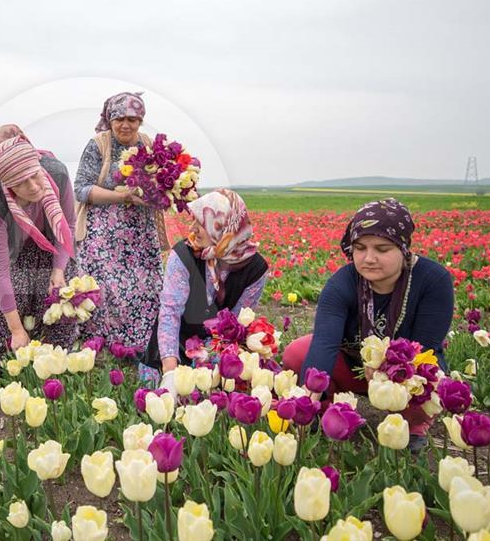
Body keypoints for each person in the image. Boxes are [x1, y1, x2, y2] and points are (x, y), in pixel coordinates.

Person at [282, 198, 454, 452]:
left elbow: (426, 346)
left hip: (405, 372)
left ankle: (412, 426)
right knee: (298, 353)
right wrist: (308, 400)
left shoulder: (433, 280)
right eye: (360, 248)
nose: (368, 258)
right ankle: (329, 412)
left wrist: (389, 368)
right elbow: (325, 343)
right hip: (354, 367)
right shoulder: (343, 282)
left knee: (430, 376)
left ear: (403, 248)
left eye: (382, 249)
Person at [139, 189, 269, 386]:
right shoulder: (184, 255)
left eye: (201, 223)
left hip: (218, 345)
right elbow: (169, 314)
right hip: (176, 343)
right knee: (161, 390)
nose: (192, 229)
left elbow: (236, 325)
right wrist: (170, 371)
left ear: (224, 226)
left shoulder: (255, 268)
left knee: (226, 384)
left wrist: (207, 356)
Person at [0, 134, 79, 371]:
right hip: (9, 250)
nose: (32, 186)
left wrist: (59, 270)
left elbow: (68, 224)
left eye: (34, 175)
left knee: (61, 295)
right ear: (8, 185)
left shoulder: (58, 174)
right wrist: (16, 329)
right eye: (20, 183)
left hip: (51, 243)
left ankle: (55, 366)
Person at [73, 91, 167, 349]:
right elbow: (80, 188)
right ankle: (103, 341)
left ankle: (144, 340)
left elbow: (161, 185)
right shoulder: (98, 144)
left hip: (141, 233)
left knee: (144, 284)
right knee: (109, 288)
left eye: (132, 119)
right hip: (104, 234)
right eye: (119, 119)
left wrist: (155, 194)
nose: (126, 125)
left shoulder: (148, 144)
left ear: (141, 121)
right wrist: (120, 195)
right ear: (109, 119)